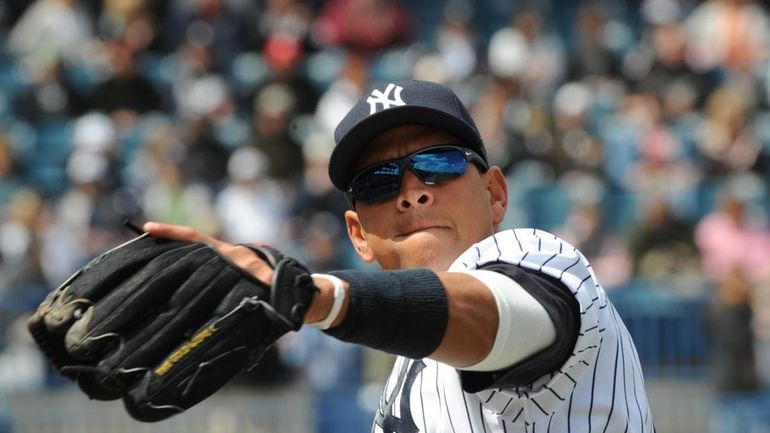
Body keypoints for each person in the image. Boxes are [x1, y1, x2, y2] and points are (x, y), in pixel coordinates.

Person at [142, 80, 655, 432]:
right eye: (379, 181)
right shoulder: (411, 363)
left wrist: (318, 297)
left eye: (438, 163)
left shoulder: (540, 257)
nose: (412, 192)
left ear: (495, 194)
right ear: (358, 234)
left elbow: (498, 312)